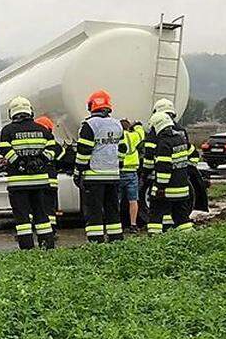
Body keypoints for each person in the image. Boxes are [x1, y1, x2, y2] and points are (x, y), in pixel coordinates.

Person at [0, 98, 56, 249]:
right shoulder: (42, 129)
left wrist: (20, 163)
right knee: (42, 216)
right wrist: (40, 161)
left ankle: (27, 249)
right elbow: (53, 149)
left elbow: (4, 150)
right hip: (40, 182)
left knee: (22, 218)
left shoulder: (7, 131)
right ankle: (47, 247)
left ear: (12, 112)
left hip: (18, 183)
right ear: (30, 110)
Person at [75, 90, 125, 243]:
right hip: (113, 175)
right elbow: (123, 149)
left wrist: (78, 172)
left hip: (94, 176)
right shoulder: (117, 124)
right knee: (112, 209)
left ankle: (96, 242)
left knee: (94, 210)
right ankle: (116, 239)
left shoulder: (89, 125)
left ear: (91, 106)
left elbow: (84, 152)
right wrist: (118, 165)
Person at [144, 111, 193, 234]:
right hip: (182, 188)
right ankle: (189, 239)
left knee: (155, 215)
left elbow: (164, 169)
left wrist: (160, 188)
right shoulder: (180, 139)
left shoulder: (163, 143)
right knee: (182, 218)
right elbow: (192, 154)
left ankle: (154, 240)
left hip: (167, 189)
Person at [34, 115, 64, 232]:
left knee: (35, 205)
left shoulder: (34, 144)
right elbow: (63, 157)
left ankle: (36, 228)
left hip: (38, 180)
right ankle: (51, 229)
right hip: (51, 182)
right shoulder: (54, 145)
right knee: (49, 207)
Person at [118, 119, 145, 231]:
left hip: (119, 171)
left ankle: (117, 223)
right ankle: (133, 224)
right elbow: (141, 133)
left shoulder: (117, 137)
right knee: (133, 200)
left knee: (116, 200)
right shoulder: (134, 136)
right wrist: (137, 124)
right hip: (132, 172)